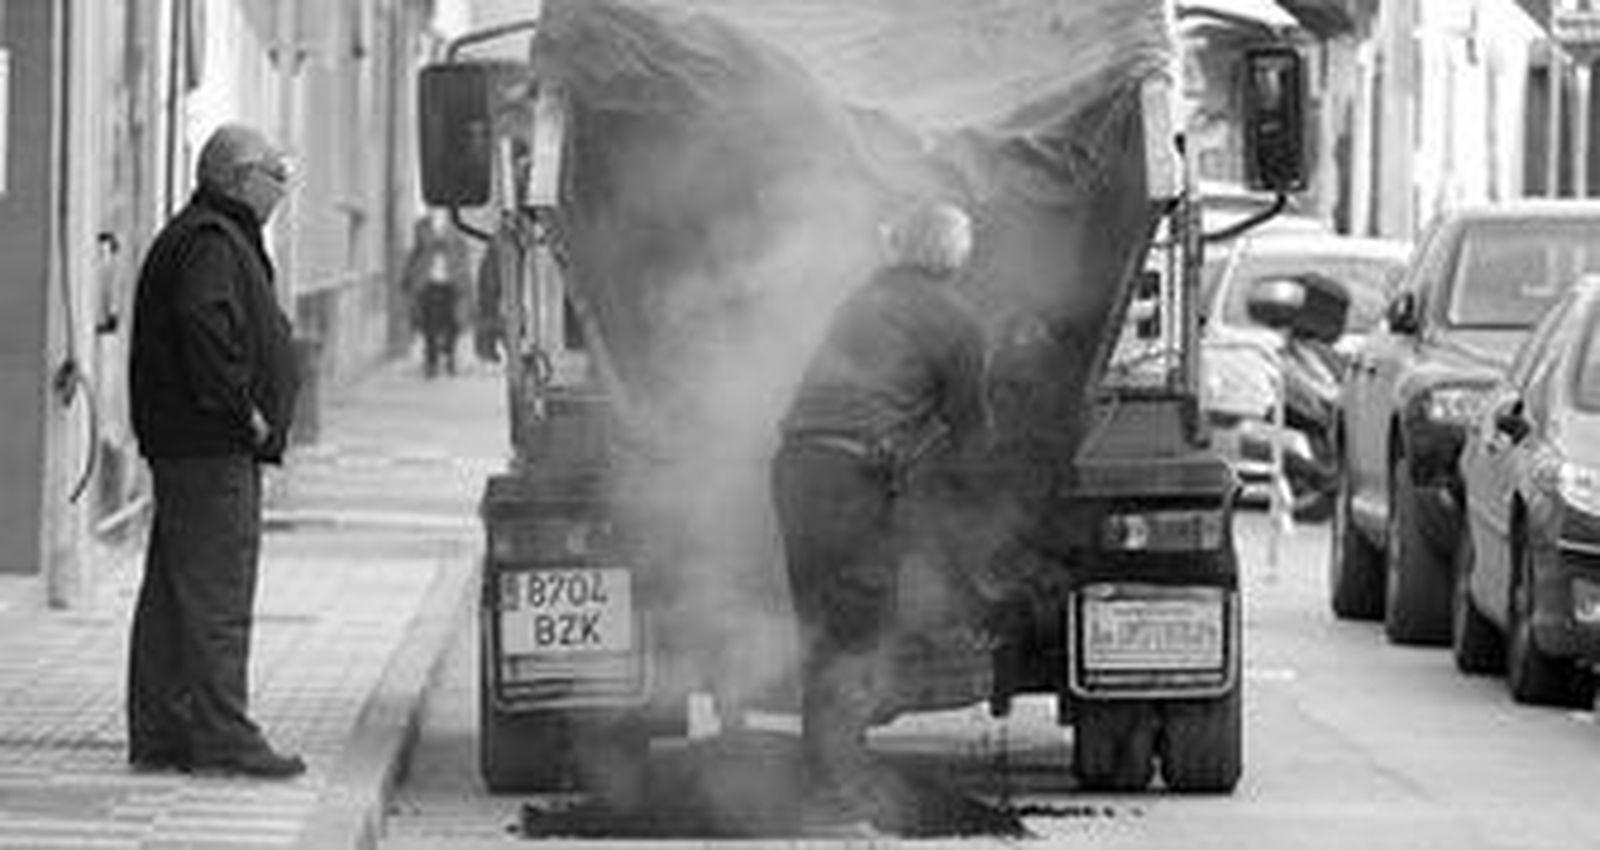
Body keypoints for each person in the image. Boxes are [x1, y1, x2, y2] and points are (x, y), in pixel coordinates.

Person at [770, 201, 988, 834]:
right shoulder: (957, 320)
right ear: (956, 257)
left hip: (796, 472)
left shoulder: (863, 300)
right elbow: (972, 436)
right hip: (850, 483)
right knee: (854, 638)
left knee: (822, 631)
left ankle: (827, 781)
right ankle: (835, 805)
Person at [126, 122, 305, 779]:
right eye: (276, 175)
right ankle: (224, 736)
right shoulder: (211, 241)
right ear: (239, 179)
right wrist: (242, 408)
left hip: (189, 445)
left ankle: (162, 731)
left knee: (176, 593)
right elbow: (205, 322)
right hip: (210, 445)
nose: (282, 189)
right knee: (217, 596)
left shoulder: (206, 235)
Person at [403, 209, 473, 377]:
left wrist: (465, 279)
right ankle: (431, 362)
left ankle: (450, 359)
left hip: (451, 282)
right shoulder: (422, 226)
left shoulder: (457, 226)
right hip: (428, 282)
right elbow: (416, 253)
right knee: (429, 324)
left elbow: (463, 255)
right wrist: (407, 276)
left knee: (452, 323)